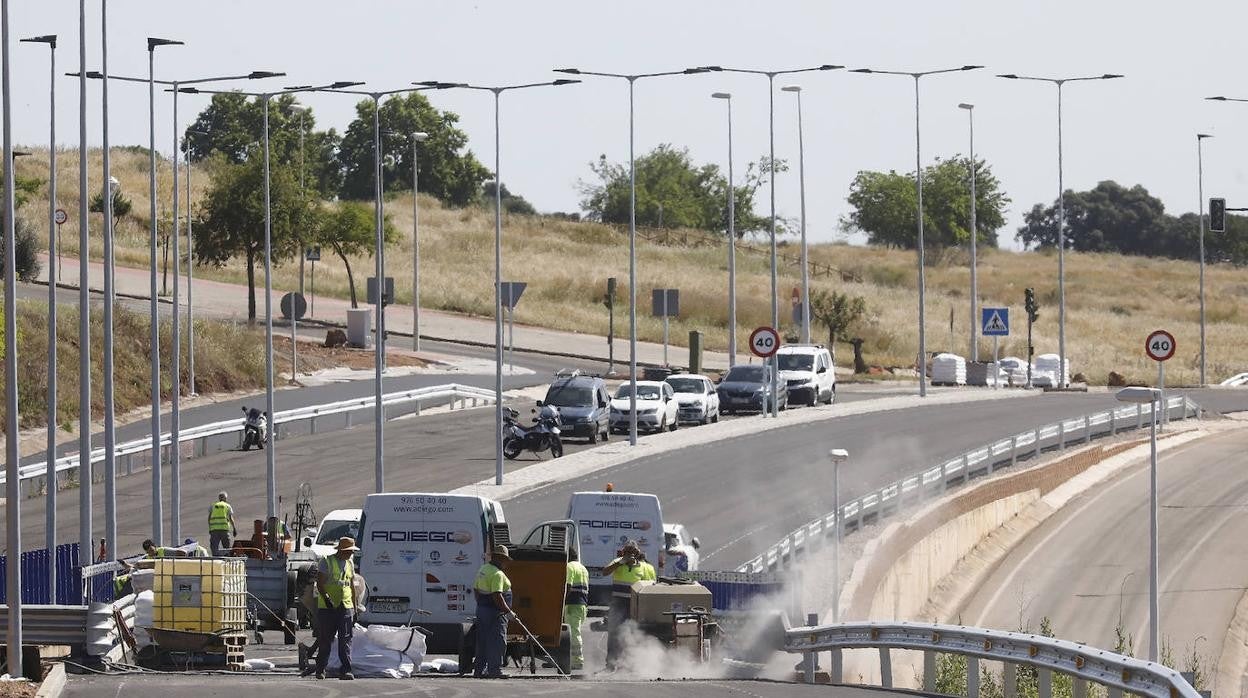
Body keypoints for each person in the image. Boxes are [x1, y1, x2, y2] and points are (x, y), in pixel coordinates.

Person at [601, 540, 656, 670]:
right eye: (628, 552)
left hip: (633, 605)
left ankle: (629, 663)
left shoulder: (644, 567)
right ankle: (611, 663)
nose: (630, 555)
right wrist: (621, 562)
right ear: (624, 553)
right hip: (618, 604)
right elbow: (605, 572)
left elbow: (649, 586)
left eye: (633, 552)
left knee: (632, 633)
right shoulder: (618, 563)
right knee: (614, 632)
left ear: (637, 553)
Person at [311, 536, 358, 681]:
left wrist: (355, 609)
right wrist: (327, 599)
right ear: (342, 550)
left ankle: (346, 670)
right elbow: (320, 584)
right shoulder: (327, 561)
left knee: (345, 639)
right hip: (327, 608)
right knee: (326, 639)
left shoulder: (349, 562)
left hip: (345, 606)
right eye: (349, 551)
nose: (351, 554)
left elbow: (351, 586)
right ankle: (320, 669)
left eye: (352, 551)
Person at [473, 545, 515, 678]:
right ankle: (494, 670)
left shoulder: (483, 569)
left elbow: (476, 590)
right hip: (496, 614)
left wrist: (481, 604)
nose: (506, 563)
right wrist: (507, 611)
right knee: (497, 641)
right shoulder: (498, 574)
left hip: (482, 610)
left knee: (483, 641)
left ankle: (479, 670)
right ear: (500, 559)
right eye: (505, 560)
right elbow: (497, 595)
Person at [563, 547, 590, 671]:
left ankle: (577, 661)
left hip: (572, 604)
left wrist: (561, 602)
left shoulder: (569, 567)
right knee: (572, 632)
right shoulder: (583, 568)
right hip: (582, 604)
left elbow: (568, 586)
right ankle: (566, 659)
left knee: (573, 633)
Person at [208, 492, 237, 556]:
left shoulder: (213, 505)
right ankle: (227, 561)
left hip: (214, 530)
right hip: (224, 530)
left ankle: (215, 561)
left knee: (214, 548)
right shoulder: (227, 506)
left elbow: (209, 518)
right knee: (227, 548)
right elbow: (230, 518)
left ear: (219, 498)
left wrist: (210, 529)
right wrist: (234, 528)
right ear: (225, 498)